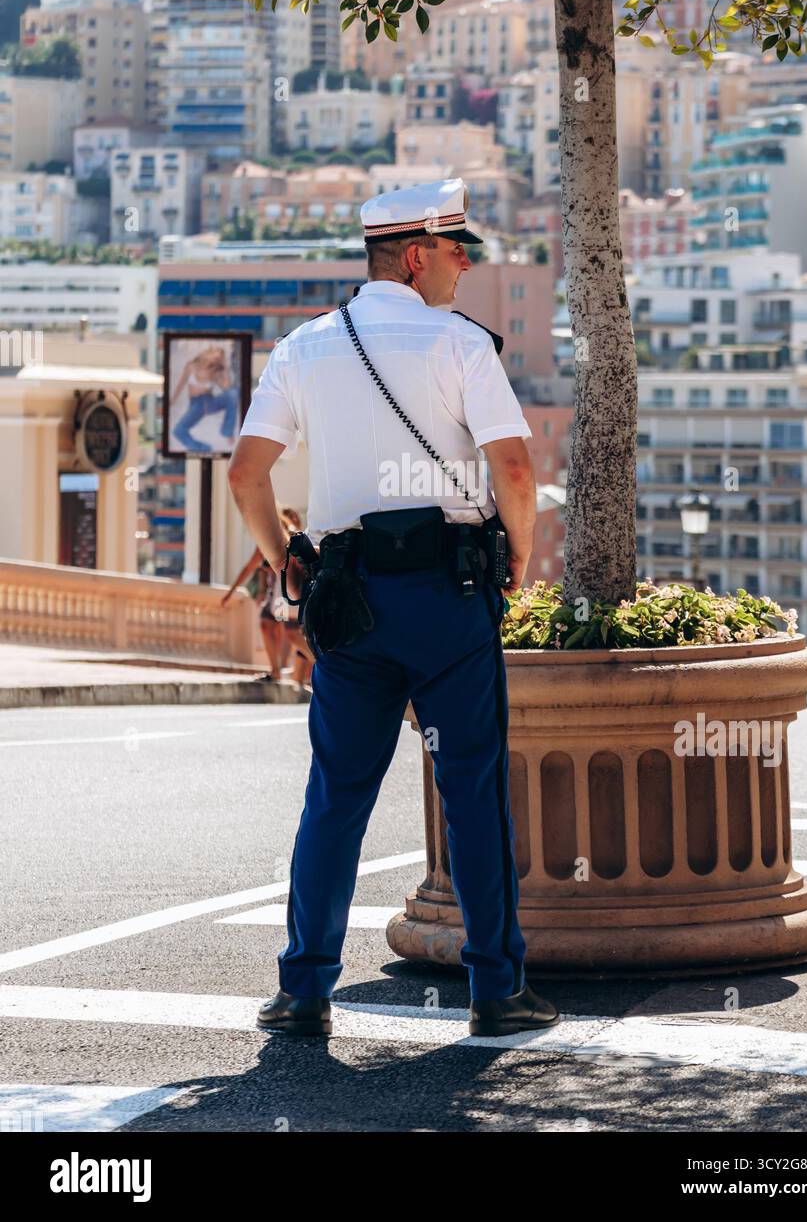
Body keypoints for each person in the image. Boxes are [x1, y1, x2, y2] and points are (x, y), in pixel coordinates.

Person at [227, 175, 559, 1039]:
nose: (464, 267)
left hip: (350, 606)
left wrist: (286, 557)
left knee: (336, 797)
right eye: (457, 252)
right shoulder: (460, 346)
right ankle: (496, 992)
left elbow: (245, 474)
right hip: (449, 600)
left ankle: (303, 990)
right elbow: (515, 472)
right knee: (472, 792)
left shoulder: (304, 349)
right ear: (417, 258)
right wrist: (516, 559)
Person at [221, 506, 315, 689]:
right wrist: (232, 592)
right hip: (276, 595)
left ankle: (312, 664)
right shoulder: (266, 541)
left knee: (290, 631)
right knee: (268, 624)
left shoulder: (292, 539)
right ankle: (277, 669)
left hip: (286, 594)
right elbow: (251, 567)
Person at [171, 344, 239, 454]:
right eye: (215, 355)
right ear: (209, 352)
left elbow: (227, 388)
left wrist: (225, 368)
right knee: (178, 431)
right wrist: (172, 400)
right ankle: (204, 449)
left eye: (218, 359)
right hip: (196, 405)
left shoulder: (215, 372)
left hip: (210, 402)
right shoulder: (191, 366)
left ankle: (227, 431)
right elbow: (181, 384)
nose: (215, 359)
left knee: (234, 392)